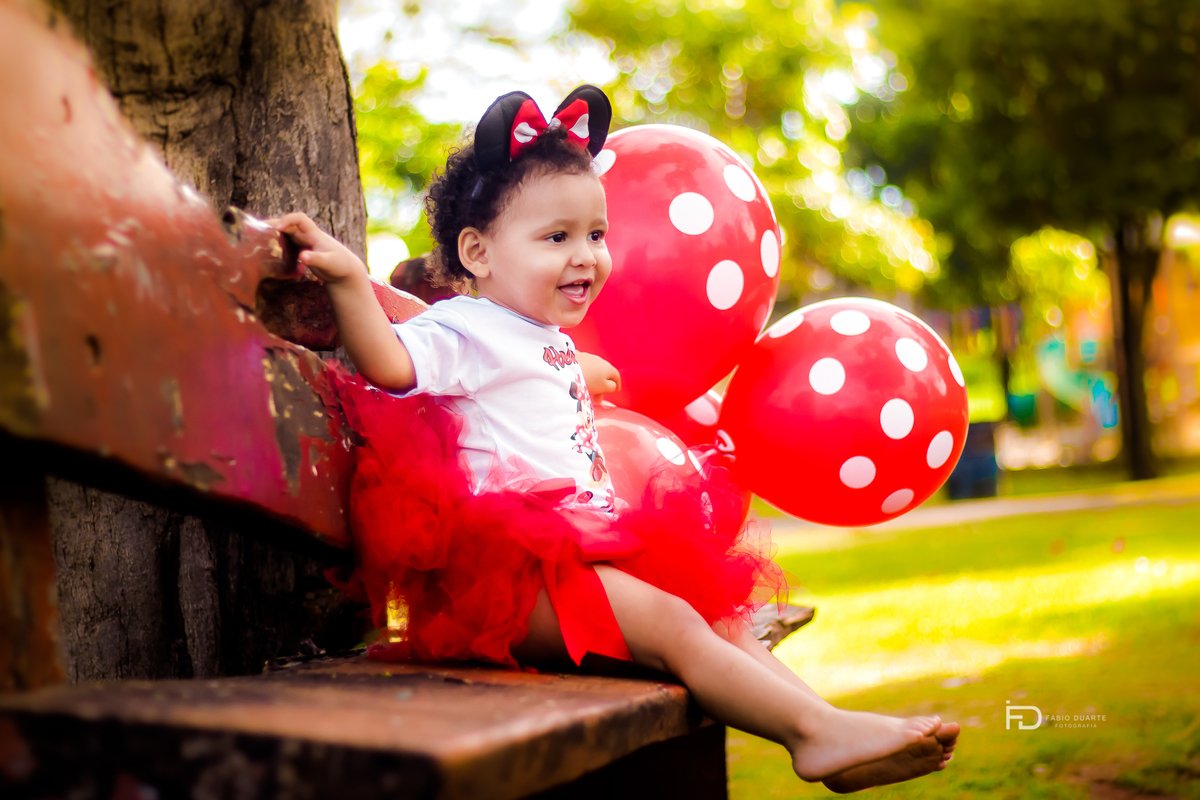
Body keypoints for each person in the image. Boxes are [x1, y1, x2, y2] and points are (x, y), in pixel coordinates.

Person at [269, 85, 958, 793]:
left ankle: (827, 723)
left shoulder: (538, 334)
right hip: (510, 583)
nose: (586, 256)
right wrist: (349, 279)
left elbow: (529, 370)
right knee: (674, 624)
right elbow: (390, 365)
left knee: (721, 618)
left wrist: (578, 368)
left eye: (596, 235)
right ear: (477, 251)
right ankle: (812, 736)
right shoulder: (464, 329)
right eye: (557, 238)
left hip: (573, 558)